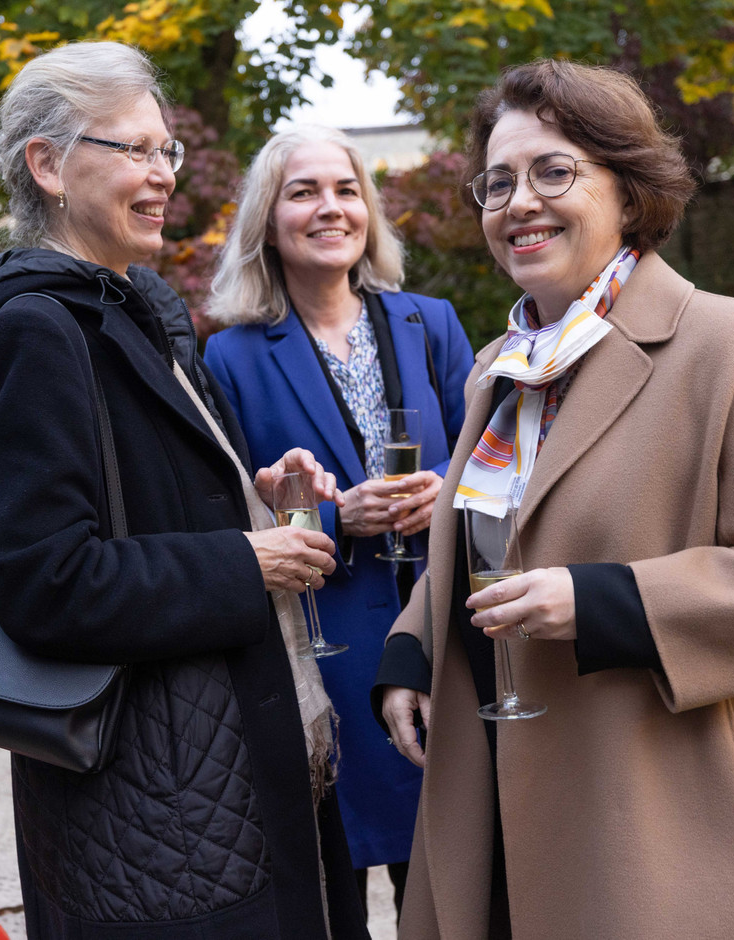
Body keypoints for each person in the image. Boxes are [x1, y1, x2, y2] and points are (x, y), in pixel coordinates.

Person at [374, 60, 734, 939]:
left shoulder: (723, 340)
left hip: (668, 821)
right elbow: (484, 544)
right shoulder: (502, 365)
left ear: (630, 189)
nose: (518, 202)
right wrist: (413, 651)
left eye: (553, 171)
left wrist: (608, 601)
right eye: (496, 182)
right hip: (494, 800)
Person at [0, 42, 369, 939]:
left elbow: (158, 509)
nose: (162, 175)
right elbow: (44, 581)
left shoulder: (138, 313)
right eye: (135, 150)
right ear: (48, 165)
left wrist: (263, 495)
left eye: (166, 152)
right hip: (155, 820)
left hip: (226, 775)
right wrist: (242, 559)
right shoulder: (36, 329)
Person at [203, 125, 474, 916]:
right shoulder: (233, 356)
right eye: (304, 191)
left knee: (451, 888)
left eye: (346, 189)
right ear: (268, 218)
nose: (331, 208)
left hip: (438, 637)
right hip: (327, 652)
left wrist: (444, 492)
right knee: (334, 894)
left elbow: (488, 467)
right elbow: (234, 510)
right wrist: (334, 512)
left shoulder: (432, 323)